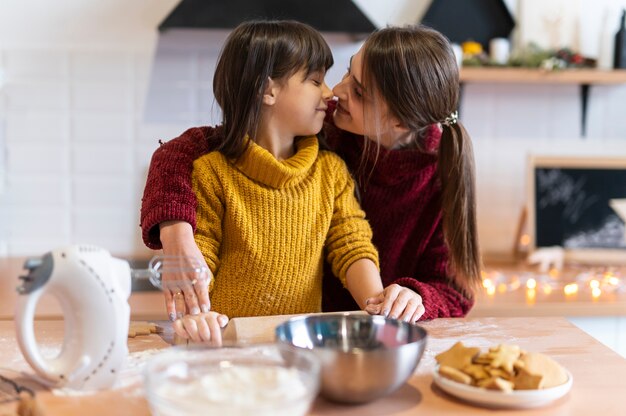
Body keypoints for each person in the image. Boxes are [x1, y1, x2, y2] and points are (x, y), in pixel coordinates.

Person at [140, 24, 481, 330]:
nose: (335, 91)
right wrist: (178, 241)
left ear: (401, 123)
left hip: (357, 337)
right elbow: (185, 153)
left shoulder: (435, 173)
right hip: (284, 336)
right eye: (346, 73)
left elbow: (357, 244)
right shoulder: (320, 124)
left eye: (359, 91)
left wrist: (410, 299)